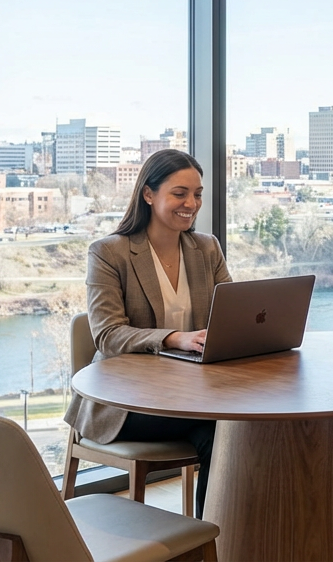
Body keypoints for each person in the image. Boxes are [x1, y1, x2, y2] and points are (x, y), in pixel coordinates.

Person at [62, 149, 231, 518]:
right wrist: (173, 338)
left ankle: (218, 536)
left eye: (197, 194)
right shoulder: (109, 253)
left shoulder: (207, 248)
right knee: (228, 428)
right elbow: (108, 335)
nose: (191, 204)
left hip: (191, 394)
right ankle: (216, 537)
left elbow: (229, 316)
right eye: (180, 193)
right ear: (149, 194)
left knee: (228, 431)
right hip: (125, 402)